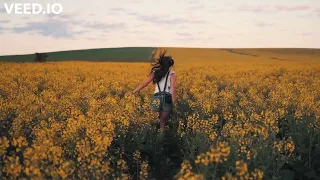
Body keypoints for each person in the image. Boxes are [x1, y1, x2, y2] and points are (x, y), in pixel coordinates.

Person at [125, 50, 176, 131]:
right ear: (169, 65)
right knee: (162, 122)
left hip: (156, 98)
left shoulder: (156, 72)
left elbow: (144, 84)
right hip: (167, 99)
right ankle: (160, 138)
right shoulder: (172, 73)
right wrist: (173, 100)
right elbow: (173, 87)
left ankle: (149, 133)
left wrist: (133, 92)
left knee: (152, 120)